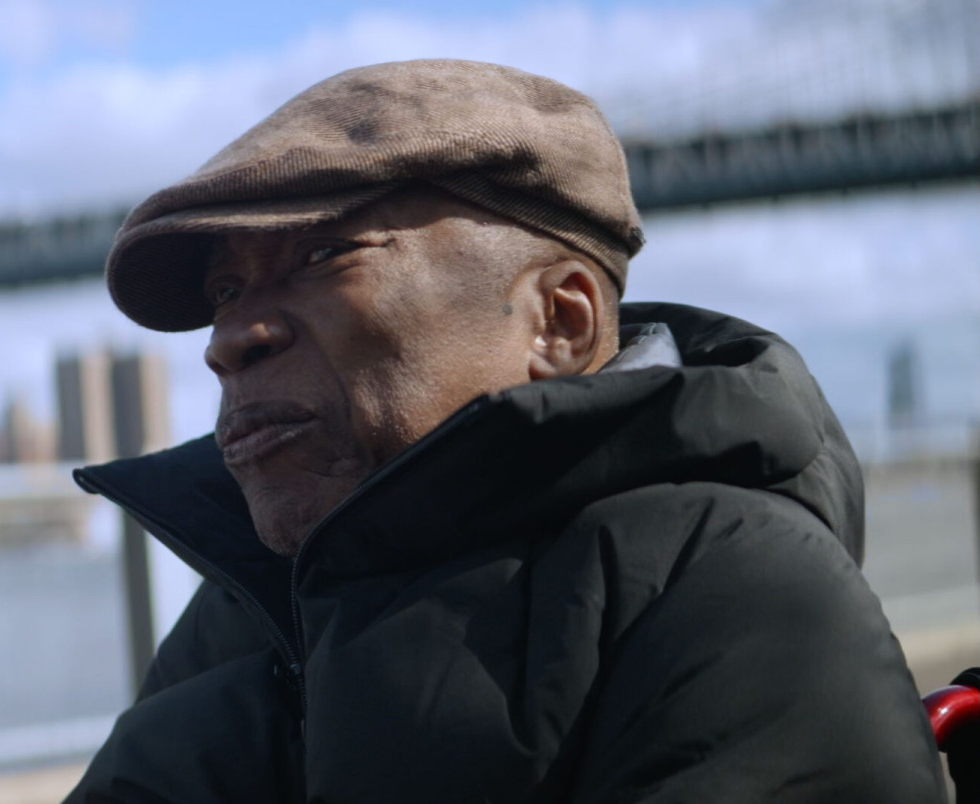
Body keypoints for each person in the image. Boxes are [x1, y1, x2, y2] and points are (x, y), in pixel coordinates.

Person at [65, 59, 944, 802]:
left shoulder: (733, 585)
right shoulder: (252, 597)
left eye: (324, 255)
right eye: (225, 292)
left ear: (559, 325)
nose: (229, 341)